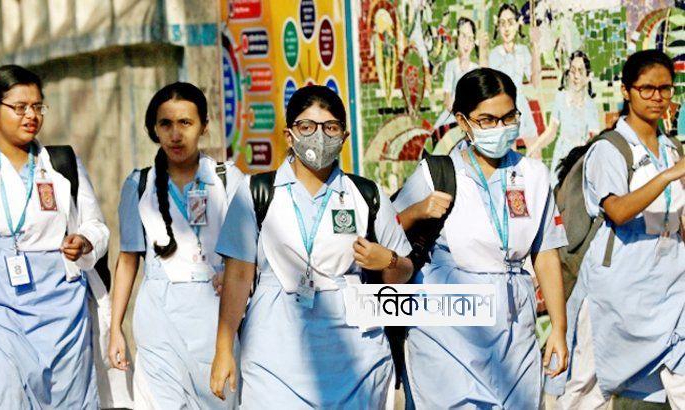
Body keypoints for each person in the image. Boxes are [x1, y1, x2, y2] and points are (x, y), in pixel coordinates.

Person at [209, 85, 413, 408]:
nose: (318, 136)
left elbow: (405, 271)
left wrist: (386, 260)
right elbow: (238, 276)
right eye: (306, 127)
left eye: (330, 127)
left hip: (356, 357)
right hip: (273, 355)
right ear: (289, 136)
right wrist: (223, 350)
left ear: (344, 137)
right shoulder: (257, 192)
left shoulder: (366, 195)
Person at [394, 67, 568, 408]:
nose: (500, 128)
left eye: (509, 117)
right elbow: (389, 233)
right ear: (463, 120)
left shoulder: (533, 175)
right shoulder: (437, 174)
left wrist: (558, 330)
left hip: (513, 329)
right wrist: (417, 211)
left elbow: (546, 254)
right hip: (447, 332)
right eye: (487, 120)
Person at [0, 65, 110, 408]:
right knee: (1, 391)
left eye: (38, 106)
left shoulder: (61, 164)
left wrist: (84, 241)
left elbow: (96, 226)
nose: (31, 115)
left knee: (66, 398)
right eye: (20, 107)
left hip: (61, 308)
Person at [548, 50, 685, 408]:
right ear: (626, 91)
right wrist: (668, 176)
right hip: (616, 290)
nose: (657, 97)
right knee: (585, 389)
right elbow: (618, 210)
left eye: (665, 89)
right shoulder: (609, 149)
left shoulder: (672, 148)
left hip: (671, 286)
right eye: (647, 88)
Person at [109, 82, 245, 409]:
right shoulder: (139, 184)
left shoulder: (227, 179)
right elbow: (128, 260)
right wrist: (115, 328)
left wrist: (230, 274)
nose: (175, 134)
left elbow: (247, 254)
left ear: (204, 126)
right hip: (158, 315)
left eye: (185, 123)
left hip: (216, 313)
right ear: (154, 129)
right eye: (165, 124)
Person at [527, 51, 600, 186]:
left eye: (580, 71)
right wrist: (535, 146)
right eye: (573, 71)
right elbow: (551, 131)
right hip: (562, 153)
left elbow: (595, 139)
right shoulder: (561, 98)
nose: (576, 76)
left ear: (588, 77)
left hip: (580, 156)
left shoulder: (590, 106)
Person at [486, 3, 539, 145]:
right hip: (503, 108)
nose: (506, 28)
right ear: (498, 26)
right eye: (502, 23)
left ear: (517, 24)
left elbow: (535, 82)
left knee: (535, 148)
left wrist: (535, 47)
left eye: (510, 23)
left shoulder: (523, 51)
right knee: (509, 149)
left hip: (521, 105)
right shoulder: (494, 55)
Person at [433, 17, 480, 130]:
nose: (466, 43)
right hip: (452, 115)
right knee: (438, 134)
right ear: (457, 38)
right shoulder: (451, 66)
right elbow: (447, 100)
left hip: (471, 118)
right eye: (463, 36)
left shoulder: (476, 69)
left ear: (474, 43)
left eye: (470, 38)